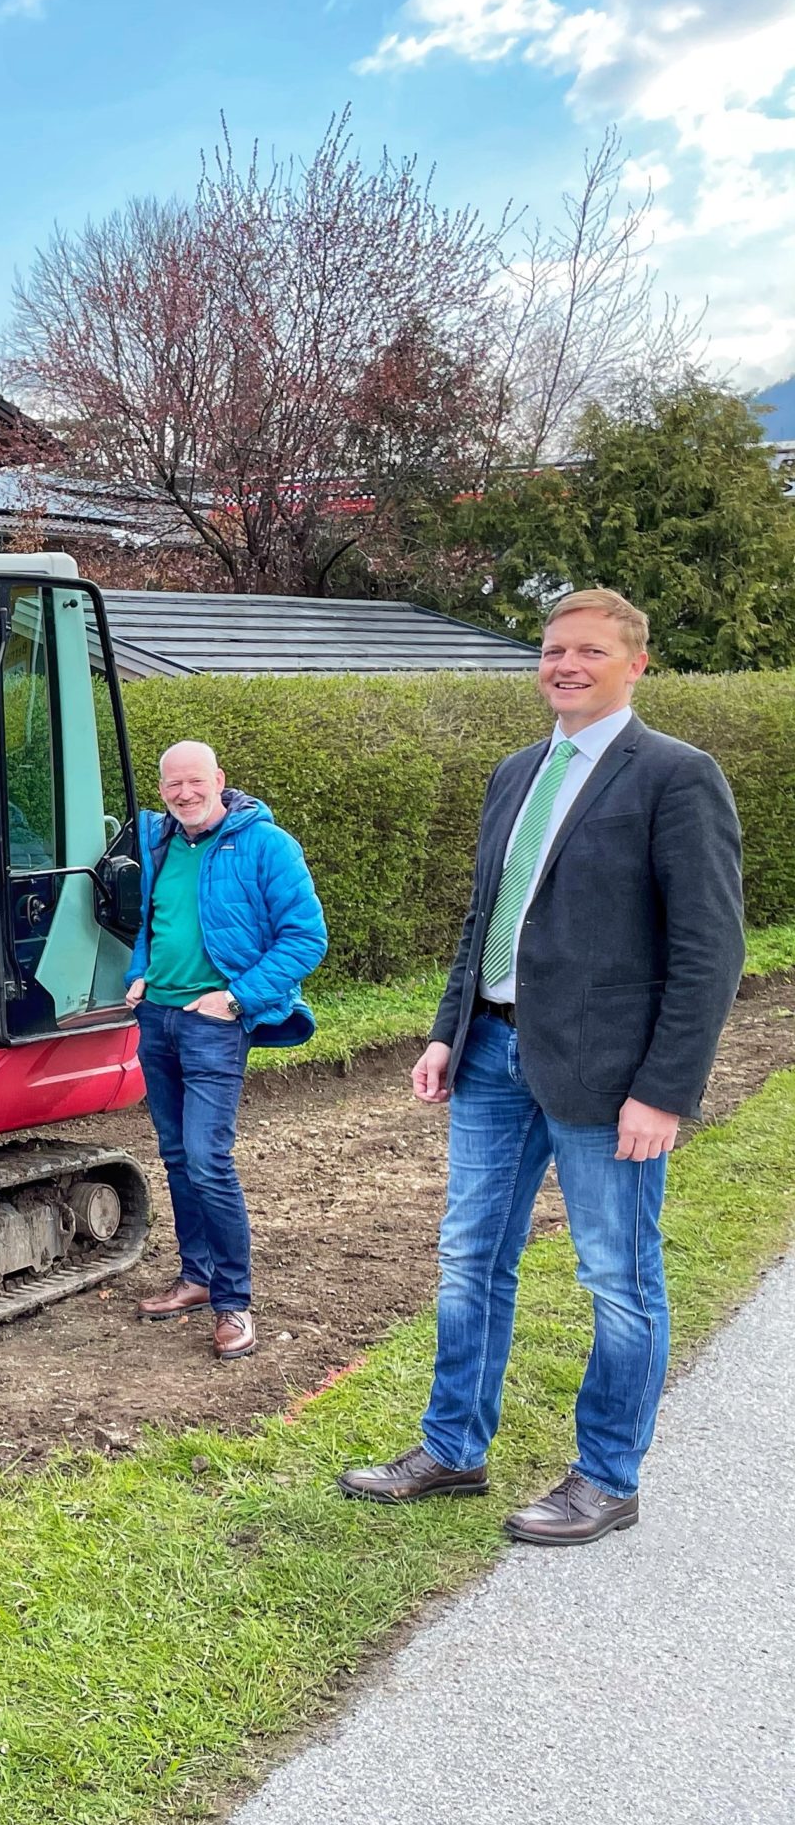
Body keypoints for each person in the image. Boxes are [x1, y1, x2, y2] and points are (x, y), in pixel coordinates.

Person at [341, 589, 742, 1544]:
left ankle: (608, 1477)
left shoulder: (678, 777)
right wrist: (448, 1029)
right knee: (470, 1259)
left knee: (618, 1277)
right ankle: (451, 1450)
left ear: (635, 664)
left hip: (610, 1078)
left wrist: (665, 1091)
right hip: (492, 1054)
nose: (565, 664)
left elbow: (708, 951)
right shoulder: (517, 772)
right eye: (553, 650)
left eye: (589, 652)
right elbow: (487, 918)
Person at [122, 741, 328, 1359]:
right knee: (178, 1155)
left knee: (209, 1158)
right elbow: (151, 921)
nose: (183, 794)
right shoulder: (158, 841)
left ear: (219, 780)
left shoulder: (266, 845)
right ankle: (195, 1277)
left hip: (213, 1023)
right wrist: (140, 971)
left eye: (193, 782)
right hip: (156, 1018)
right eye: (171, 786)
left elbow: (306, 937)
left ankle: (233, 1303)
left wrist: (236, 999)